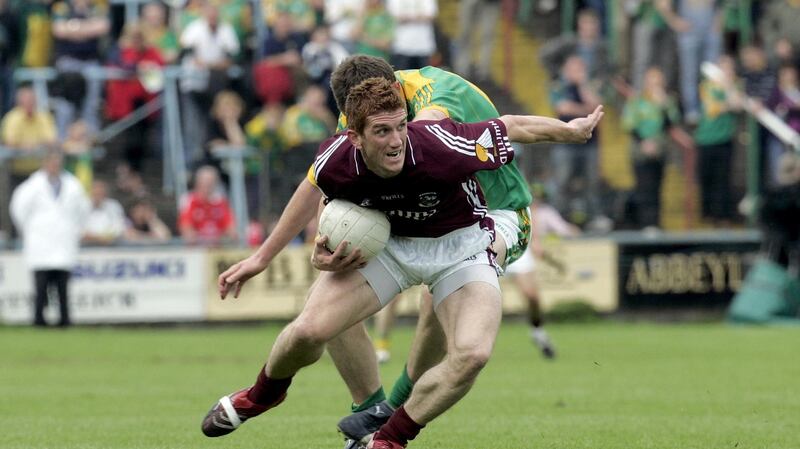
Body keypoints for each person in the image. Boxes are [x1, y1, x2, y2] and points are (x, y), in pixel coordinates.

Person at [201, 76, 603, 449]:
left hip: (460, 248)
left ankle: (388, 438)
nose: (396, 141)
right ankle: (261, 395)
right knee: (308, 330)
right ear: (354, 137)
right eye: (382, 131)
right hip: (392, 248)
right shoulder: (336, 158)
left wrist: (571, 130)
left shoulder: (438, 142)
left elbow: (512, 126)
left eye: (400, 127)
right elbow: (312, 192)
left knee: (472, 354)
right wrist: (267, 257)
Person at [9, 149, 90, 327]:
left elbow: (83, 211)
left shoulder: (73, 185)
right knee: (40, 287)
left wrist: (74, 229)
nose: (55, 165)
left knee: (62, 287)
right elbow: (18, 210)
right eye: (51, 162)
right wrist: (30, 230)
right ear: (45, 164)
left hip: (64, 241)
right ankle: (39, 319)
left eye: (57, 162)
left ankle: (65, 320)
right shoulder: (31, 186)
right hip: (40, 242)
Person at [505, 184, 581, 359]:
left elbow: (536, 239)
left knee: (532, 296)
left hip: (518, 251)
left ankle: (538, 332)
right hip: (494, 246)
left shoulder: (536, 211)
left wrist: (540, 247)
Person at [178, 165, 237, 245]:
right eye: (205, 180)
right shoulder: (189, 200)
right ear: (198, 182)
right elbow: (186, 227)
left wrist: (225, 239)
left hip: (218, 247)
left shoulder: (221, 202)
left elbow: (231, 228)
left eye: (211, 181)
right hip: (196, 248)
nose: (208, 184)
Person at [82, 180, 126, 246]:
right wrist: (98, 238)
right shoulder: (82, 206)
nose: (98, 196)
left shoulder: (114, 206)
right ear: (90, 192)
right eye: (96, 193)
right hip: (86, 246)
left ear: (105, 194)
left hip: (111, 246)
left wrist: (107, 237)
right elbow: (79, 231)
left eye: (100, 193)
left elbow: (119, 227)